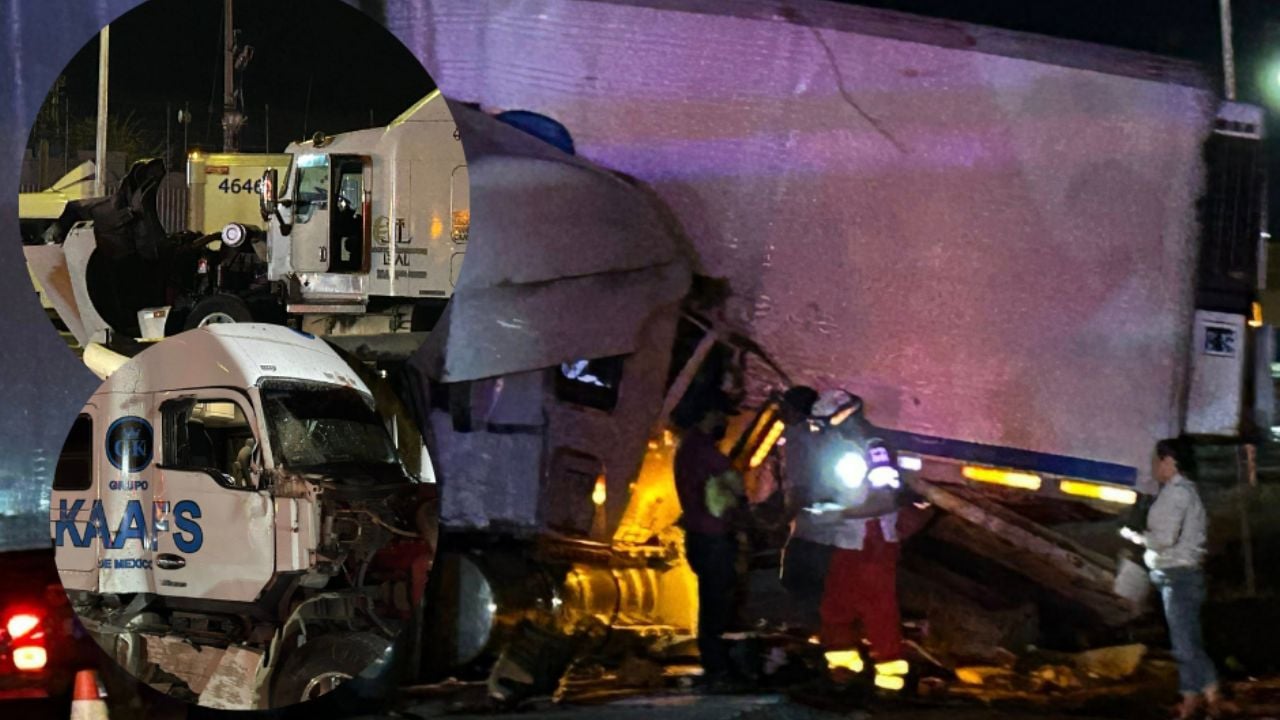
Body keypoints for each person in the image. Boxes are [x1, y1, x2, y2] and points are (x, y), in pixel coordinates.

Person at [1121, 439, 1236, 720]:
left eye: (1157, 461)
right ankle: (1199, 699)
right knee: (1188, 641)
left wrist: (1134, 536)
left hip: (1178, 576)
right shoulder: (1180, 491)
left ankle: (1202, 698)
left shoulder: (1177, 494)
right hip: (1180, 575)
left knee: (1184, 644)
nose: (1155, 467)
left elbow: (1163, 539)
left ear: (1169, 461)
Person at [806, 390, 910, 694]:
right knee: (836, 603)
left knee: (877, 608)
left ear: (844, 418)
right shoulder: (844, 448)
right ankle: (843, 669)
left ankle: (890, 679)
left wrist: (838, 514)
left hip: (872, 538)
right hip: (851, 537)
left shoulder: (874, 448)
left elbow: (885, 500)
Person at [673, 393, 745, 689]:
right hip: (712, 537)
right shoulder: (701, 450)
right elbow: (734, 482)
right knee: (717, 604)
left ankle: (718, 666)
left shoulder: (689, 448)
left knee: (713, 601)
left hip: (701, 535)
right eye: (720, 415)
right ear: (707, 415)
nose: (724, 422)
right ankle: (719, 669)